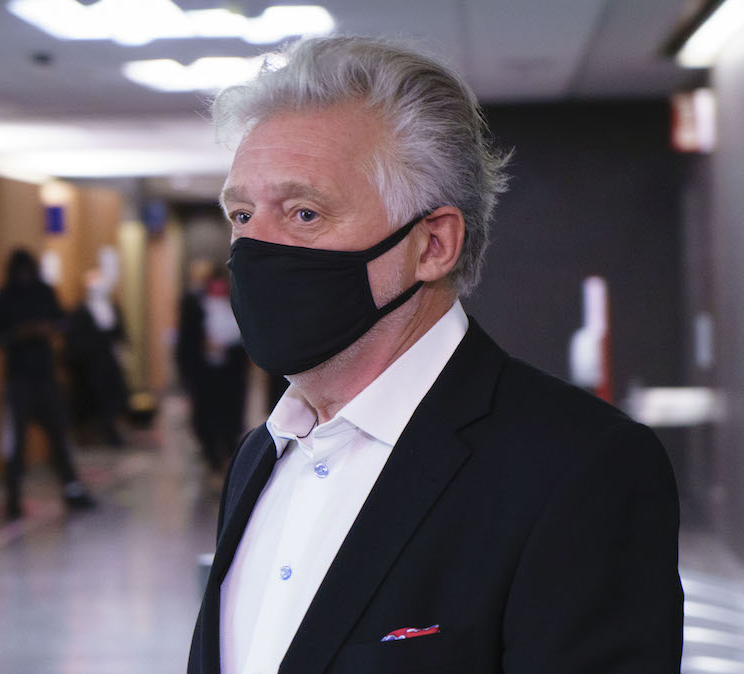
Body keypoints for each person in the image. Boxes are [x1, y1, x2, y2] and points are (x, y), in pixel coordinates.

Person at [188, 36, 683, 673]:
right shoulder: (260, 455)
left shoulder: (580, 469)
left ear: (433, 245)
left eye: (305, 213)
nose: (255, 249)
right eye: (242, 214)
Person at [0, 248, 96, 520]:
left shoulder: (44, 293)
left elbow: (63, 321)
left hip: (45, 378)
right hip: (18, 381)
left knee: (59, 439)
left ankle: (72, 491)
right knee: (16, 445)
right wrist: (19, 334)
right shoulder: (3, 298)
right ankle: (13, 499)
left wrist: (48, 328)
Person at [177, 261, 249, 474]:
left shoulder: (235, 303)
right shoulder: (194, 304)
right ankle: (212, 455)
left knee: (230, 413)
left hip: (230, 372)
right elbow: (186, 341)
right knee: (206, 414)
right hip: (204, 373)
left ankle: (229, 452)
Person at [65, 264, 130, 446]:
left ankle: (111, 432)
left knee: (112, 399)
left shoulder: (112, 310)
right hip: (90, 366)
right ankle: (93, 434)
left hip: (109, 362)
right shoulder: (80, 312)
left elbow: (120, 334)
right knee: (92, 400)